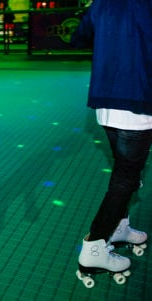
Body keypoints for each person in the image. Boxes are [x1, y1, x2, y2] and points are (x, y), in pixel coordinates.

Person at [71, 0, 151, 285]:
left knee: (125, 171)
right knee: (126, 178)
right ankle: (94, 246)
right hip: (138, 103)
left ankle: (120, 225)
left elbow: (78, 37)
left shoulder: (101, 4)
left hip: (106, 104)